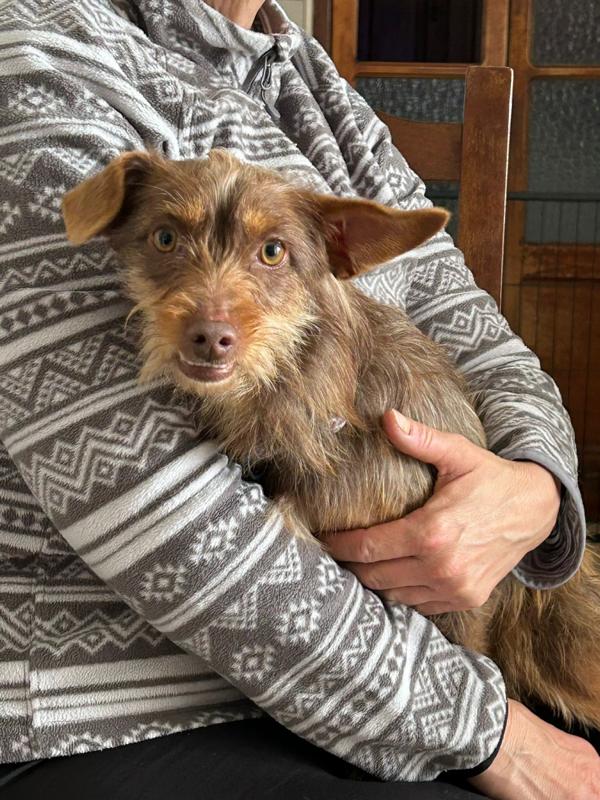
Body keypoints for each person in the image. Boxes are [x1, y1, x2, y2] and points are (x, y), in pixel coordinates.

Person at [0, 1, 598, 798]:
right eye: (172, 241)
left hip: (401, 643)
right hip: (119, 704)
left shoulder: (309, 81)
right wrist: (490, 732)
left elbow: (477, 333)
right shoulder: (38, 51)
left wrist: (534, 493)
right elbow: (166, 526)